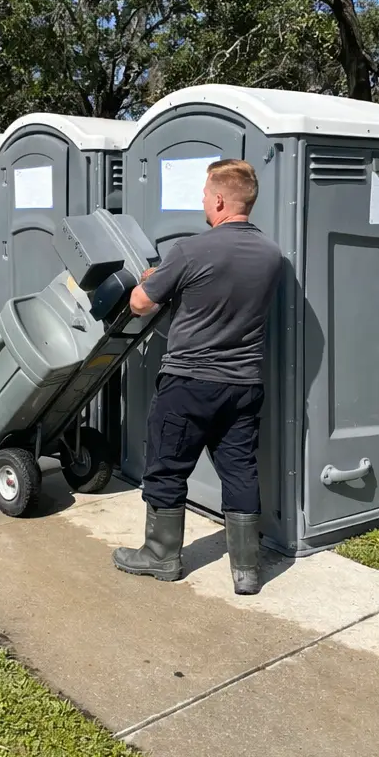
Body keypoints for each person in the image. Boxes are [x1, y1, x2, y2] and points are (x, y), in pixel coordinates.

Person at [112, 159, 282, 595]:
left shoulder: (190, 250)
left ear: (221, 199)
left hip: (189, 383)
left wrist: (156, 280)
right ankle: (246, 571)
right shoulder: (271, 254)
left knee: (167, 467)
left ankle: (161, 556)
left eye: (206, 195)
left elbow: (139, 304)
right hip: (244, 383)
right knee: (240, 470)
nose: (203, 202)